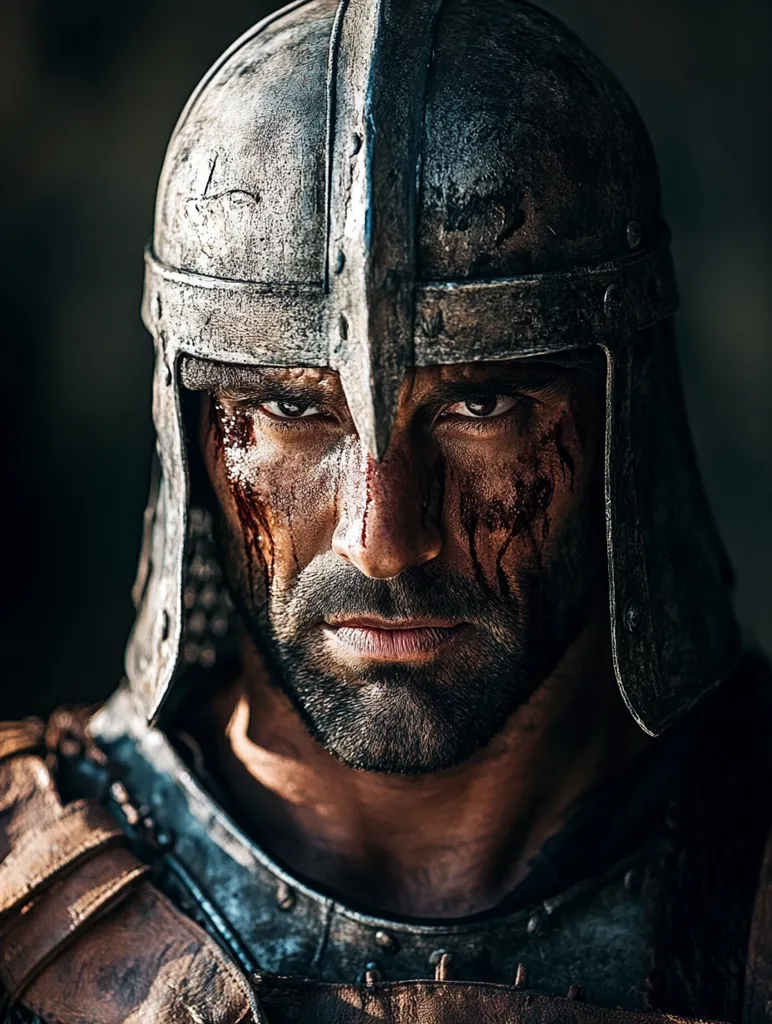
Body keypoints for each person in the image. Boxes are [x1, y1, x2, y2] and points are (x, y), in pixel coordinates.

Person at [1, 0, 770, 1021]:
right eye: (291, 409)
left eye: (481, 406)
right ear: (191, 430)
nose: (384, 539)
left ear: (623, 416)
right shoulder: (19, 901)